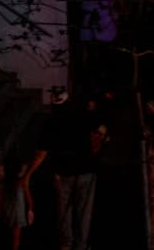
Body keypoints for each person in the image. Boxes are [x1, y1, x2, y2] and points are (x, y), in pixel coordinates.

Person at [26, 87, 109, 250]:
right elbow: (102, 131)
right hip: (86, 171)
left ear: (53, 103)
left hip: (63, 174)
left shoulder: (50, 123)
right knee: (83, 214)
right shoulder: (84, 115)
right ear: (68, 100)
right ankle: (81, 245)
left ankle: (66, 245)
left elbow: (41, 153)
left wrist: (28, 174)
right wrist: (98, 146)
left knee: (64, 214)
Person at [79, 0, 121, 93]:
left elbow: (110, 7)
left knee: (100, 59)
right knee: (98, 59)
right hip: (99, 26)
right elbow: (106, 6)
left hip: (101, 27)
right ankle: (96, 88)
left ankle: (99, 88)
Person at [0, 154, 33, 250]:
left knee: (6, 236)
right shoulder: (21, 183)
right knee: (16, 238)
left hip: (6, 212)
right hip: (18, 214)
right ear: (19, 169)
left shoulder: (3, 184)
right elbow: (29, 199)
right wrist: (30, 210)